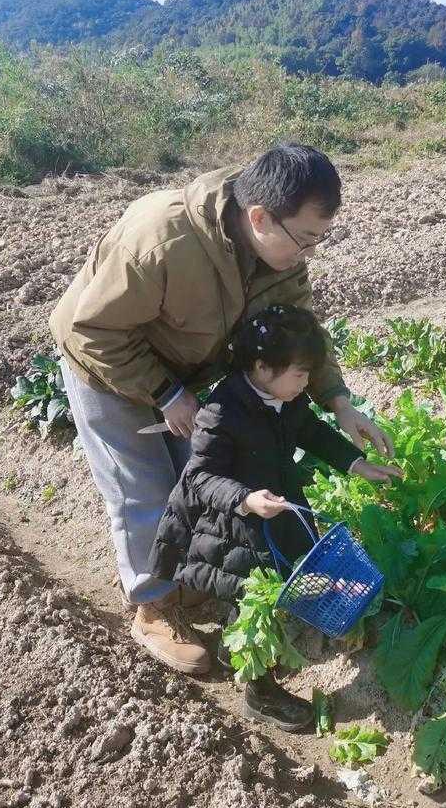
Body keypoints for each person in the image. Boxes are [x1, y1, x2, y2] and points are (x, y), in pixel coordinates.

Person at [50, 143, 396, 675]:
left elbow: (300, 332)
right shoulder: (162, 240)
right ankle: (154, 608)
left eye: (319, 241)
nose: (307, 253)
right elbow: (92, 330)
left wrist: (338, 402)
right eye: (304, 239)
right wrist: (165, 395)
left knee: (203, 475)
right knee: (142, 489)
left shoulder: (277, 257)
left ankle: (189, 584)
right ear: (259, 217)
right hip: (107, 365)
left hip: (187, 371)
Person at [149, 304, 400, 729]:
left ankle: (234, 652)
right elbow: (199, 478)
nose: (306, 384)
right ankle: (258, 693)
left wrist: (356, 464)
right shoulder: (221, 413)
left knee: (276, 586)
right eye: (300, 375)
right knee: (254, 603)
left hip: (276, 511)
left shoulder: (286, 398)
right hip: (234, 528)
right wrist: (245, 499)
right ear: (263, 368)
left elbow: (312, 431)